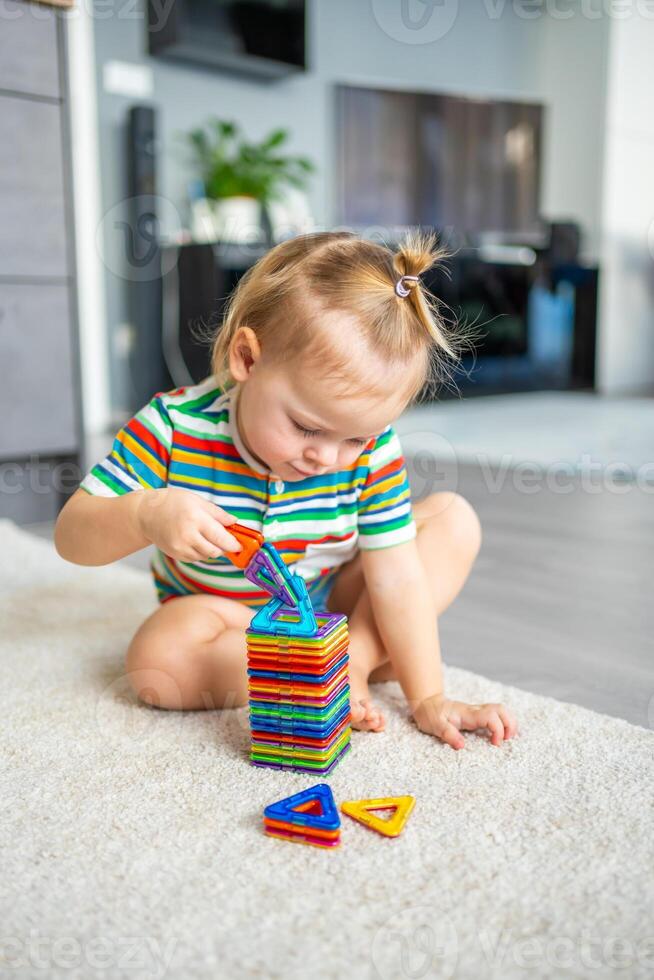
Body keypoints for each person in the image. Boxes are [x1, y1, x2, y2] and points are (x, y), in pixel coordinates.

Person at [55, 230, 517, 749]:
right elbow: (72, 536)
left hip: (333, 601)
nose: (328, 458)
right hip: (225, 615)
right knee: (156, 663)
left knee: (452, 520)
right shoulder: (172, 427)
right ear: (247, 359)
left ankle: (352, 662)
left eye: (356, 437)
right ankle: (329, 668)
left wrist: (429, 697)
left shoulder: (371, 451)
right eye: (305, 427)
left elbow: (396, 580)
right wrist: (145, 513)